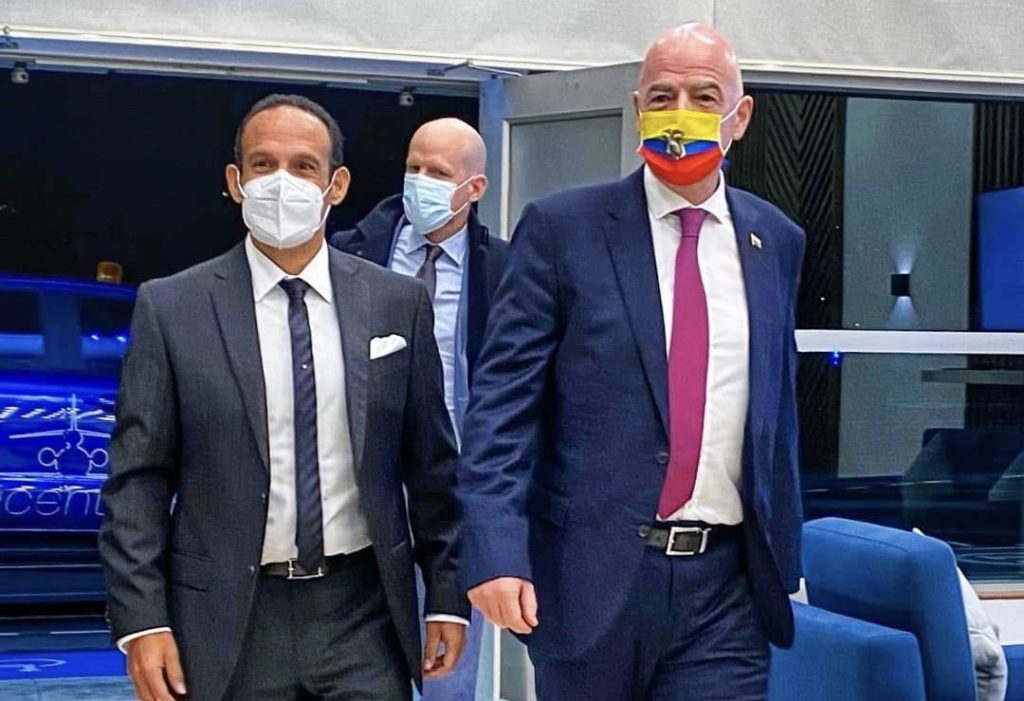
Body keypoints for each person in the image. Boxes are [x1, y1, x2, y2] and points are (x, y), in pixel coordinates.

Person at [458, 23, 806, 701]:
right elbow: (503, 404)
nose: (681, 111)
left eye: (704, 96)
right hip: (590, 577)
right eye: (663, 95)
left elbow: (776, 407)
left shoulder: (776, 240)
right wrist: (495, 547)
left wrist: (785, 558)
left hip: (726, 590)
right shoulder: (563, 229)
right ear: (639, 108)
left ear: (740, 117)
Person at [99, 93, 467, 701]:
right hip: (228, 619)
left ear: (336, 185)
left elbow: (431, 464)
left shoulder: (396, 303)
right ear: (235, 181)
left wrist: (448, 596)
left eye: (303, 166)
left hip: (364, 615)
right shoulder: (174, 308)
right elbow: (138, 479)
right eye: (263, 164)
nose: (281, 182)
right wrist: (141, 619)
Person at [330, 117, 507, 701]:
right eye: (414, 167)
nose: (420, 181)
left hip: (459, 493)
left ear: (474, 188)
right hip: (360, 488)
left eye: (438, 172)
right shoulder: (349, 255)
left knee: (448, 671)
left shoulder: (505, 272)